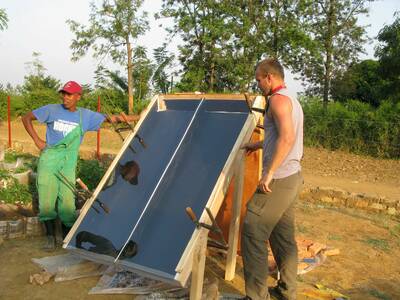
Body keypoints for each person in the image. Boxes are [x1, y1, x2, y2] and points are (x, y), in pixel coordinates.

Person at [22, 80, 139, 250]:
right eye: (64, 94)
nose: (65, 98)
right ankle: (49, 237)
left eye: (70, 94)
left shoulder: (86, 116)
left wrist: (139, 116)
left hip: (69, 161)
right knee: (47, 197)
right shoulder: (51, 109)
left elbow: (112, 118)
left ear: (78, 96)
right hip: (50, 159)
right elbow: (26, 118)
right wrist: (37, 140)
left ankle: (65, 236)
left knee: (67, 200)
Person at [240, 58, 304, 300]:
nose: (258, 85)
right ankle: (287, 291)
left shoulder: (277, 101)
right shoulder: (292, 100)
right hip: (292, 177)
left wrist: (268, 173)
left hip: (278, 179)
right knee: (282, 235)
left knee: (252, 230)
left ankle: (256, 296)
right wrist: (258, 144)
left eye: (259, 79)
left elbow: (287, 138)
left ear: (270, 77)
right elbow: (281, 135)